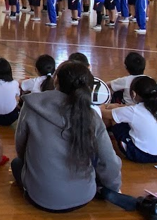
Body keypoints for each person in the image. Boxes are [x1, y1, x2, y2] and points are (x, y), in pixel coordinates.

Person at [12, 62, 122, 213]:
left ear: (56, 80)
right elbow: (109, 162)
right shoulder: (92, 117)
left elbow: (20, 145)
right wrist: (113, 188)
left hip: (39, 197)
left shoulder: (32, 104)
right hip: (84, 196)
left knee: (17, 163)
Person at [102, 76, 157, 163]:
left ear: (134, 94)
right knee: (122, 116)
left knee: (114, 119)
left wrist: (102, 106)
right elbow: (131, 108)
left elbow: (104, 113)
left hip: (142, 155)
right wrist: (118, 106)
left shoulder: (133, 111)